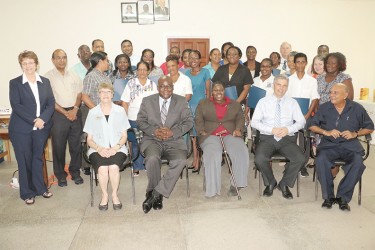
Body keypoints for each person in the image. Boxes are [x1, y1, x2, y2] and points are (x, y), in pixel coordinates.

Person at [309, 83, 374, 211]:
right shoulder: (324, 108)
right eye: (330, 92)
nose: (331, 95)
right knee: (321, 160)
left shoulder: (357, 108)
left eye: (335, 93)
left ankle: (343, 197)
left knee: (357, 163)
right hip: (329, 145)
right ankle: (328, 197)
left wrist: (355, 133)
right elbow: (311, 125)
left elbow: (370, 127)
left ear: (345, 95)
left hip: (350, 146)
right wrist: (325, 132)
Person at [137, 76, 193, 214]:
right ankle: (156, 195)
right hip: (152, 139)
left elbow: (189, 122)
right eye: (162, 86)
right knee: (152, 159)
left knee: (180, 160)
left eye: (169, 86)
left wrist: (172, 132)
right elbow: (140, 121)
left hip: (174, 140)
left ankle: (155, 193)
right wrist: (154, 131)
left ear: (173, 88)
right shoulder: (147, 101)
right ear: (158, 87)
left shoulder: (181, 101)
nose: (165, 89)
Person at [9, 51, 55, 205]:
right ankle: (27, 193)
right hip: (21, 129)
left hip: (41, 128)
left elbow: (50, 103)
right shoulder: (15, 83)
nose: (28, 66)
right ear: (21, 65)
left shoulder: (45, 82)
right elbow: (16, 105)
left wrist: (43, 119)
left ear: (36, 64)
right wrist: (34, 120)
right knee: (24, 161)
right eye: (25, 63)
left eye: (31, 62)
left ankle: (41, 189)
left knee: (37, 159)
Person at [252, 75, 306, 199]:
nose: (281, 88)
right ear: (273, 85)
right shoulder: (263, 102)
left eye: (284, 86)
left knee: (300, 159)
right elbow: (254, 122)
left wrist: (288, 129)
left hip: (286, 139)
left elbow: (301, 122)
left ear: (287, 88)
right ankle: (270, 182)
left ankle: (284, 184)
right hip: (268, 138)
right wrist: (271, 129)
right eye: (278, 85)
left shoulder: (292, 103)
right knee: (259, 159)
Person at [195, 81, 249, 198]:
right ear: (211, 92)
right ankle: (212, 188)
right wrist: (201, 130)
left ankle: (237, 184)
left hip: (230, 133)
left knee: (241, 150)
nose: (218, 92)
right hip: (210, 134)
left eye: (221, 90)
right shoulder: (203, 103)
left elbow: (240, 118)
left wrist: (239, 129)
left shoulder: (234, 104)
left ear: (224, 91)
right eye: (215, 90)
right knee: (213, 154)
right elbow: (198, 119)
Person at [84, 83, 130, 211]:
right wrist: (100, 149)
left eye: (108, 92)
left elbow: (124, 136)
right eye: (102, 92)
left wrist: (115, 148)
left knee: (114, 167)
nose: (105, 94)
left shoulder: (120, 111)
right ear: (98, 95)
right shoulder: (93, 112)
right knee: (103, 168)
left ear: (112, 94)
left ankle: (114, 194)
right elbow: (89, 139)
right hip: (97, 148)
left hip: (118, 147)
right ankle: (104, 195)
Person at [45, 49, 84, 187]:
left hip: (75, 112)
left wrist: (74, 109)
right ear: (53, 60)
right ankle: (60, 175)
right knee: (59, 146)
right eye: (58, 58)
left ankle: (75, 172)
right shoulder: (47, 77)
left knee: (76, 146)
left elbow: (79, 95)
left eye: (64, 57)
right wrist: (65, 112)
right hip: (58, 115)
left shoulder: (74, 75)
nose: (62, 60)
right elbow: (49, 99)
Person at [121, 61, 158, 176]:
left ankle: (147, 164)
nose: (142, 72)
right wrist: (126, 117)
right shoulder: (131, 83)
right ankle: (136, 166)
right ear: (137, 71)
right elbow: (125, 102)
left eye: (144, 69)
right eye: (139, 69)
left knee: (147, 142)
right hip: (133, 118)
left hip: (148, 119)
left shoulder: (152, 84)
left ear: (148, 71)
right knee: (136, 142)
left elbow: (156, 102)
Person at [286, 52, 320, 177]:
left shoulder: (311, 81)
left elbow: (315, 98)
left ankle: (302, 166)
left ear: (306, 63)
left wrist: (306, 115)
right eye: (298, 62)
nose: (300, 64)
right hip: (290, 116)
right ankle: (291, 163)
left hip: (306, 115)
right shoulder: (288, 80)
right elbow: (285, 99)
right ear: (294, 64)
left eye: (302, 62)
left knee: (306, 140)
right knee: (291, 140)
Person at [81, 51, 111, 175]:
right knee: (92, 139)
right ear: (100, 61)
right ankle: (91, 166)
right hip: (92, 112)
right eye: (107, 60)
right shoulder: (91, 76)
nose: (108, 63)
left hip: (105, 112)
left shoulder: (105, 76)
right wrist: (97, 111)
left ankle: (104, 163)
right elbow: (85, 97)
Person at [185, 50, 211, 173]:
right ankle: (195, 159)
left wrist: (208, 107)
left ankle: (200, 159)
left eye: (195, 58)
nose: (193, 60)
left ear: (200, 60)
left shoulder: (205, 72)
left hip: (202, 107)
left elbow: (208, 91)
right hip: (190, 106)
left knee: (200, 134)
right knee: (193, 136)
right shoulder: (186, 74)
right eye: (190, 58)